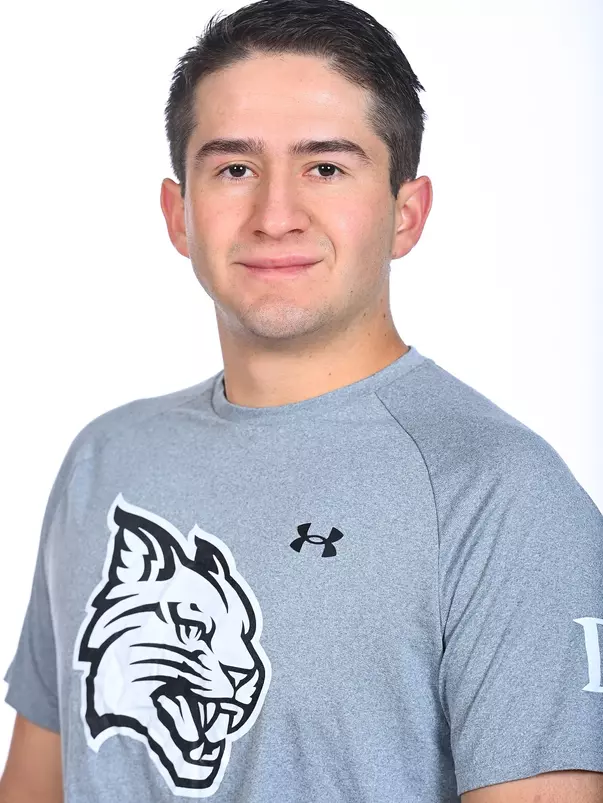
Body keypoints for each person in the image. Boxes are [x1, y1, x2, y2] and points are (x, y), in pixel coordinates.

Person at [1, 0, 602, 800]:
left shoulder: (502, 495)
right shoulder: (105, 460)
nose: (274, 216)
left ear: (406, 214)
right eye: (234, 169)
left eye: (325, 167)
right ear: (179, 214)